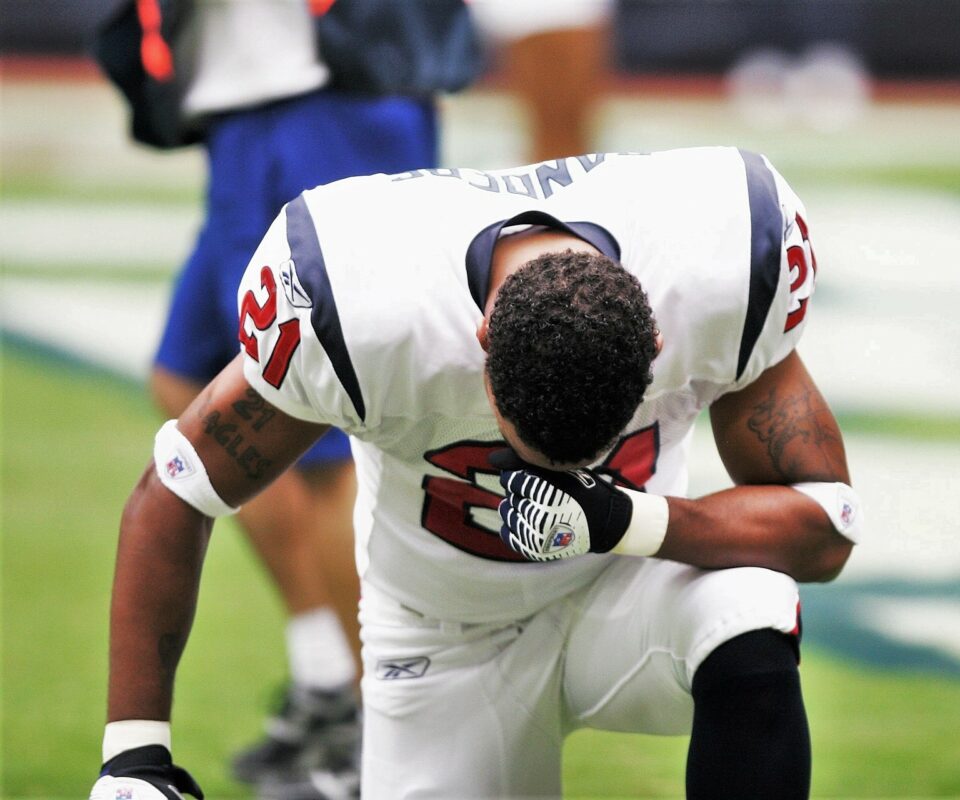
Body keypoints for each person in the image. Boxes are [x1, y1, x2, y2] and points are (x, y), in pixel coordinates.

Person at [88, 146, 864, 799]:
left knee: (751, 608)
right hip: (441, 639)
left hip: (627, 591)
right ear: (482, 343)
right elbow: (176, 490)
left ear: (655, 340)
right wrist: (134, 757)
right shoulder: (357, 298)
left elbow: (827, 531)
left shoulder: (716, 256)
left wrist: (630, 521)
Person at [90, 1, 480, 794]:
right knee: (189, 379)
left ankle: (389, 738)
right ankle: (329, 673)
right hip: (265, 106)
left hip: (321, 105)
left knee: (320, 440)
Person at [469, 0, 612, 162]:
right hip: (538, 20)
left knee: (563, 124)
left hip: (557, 19)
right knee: (555, 125)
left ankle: (560, 175)